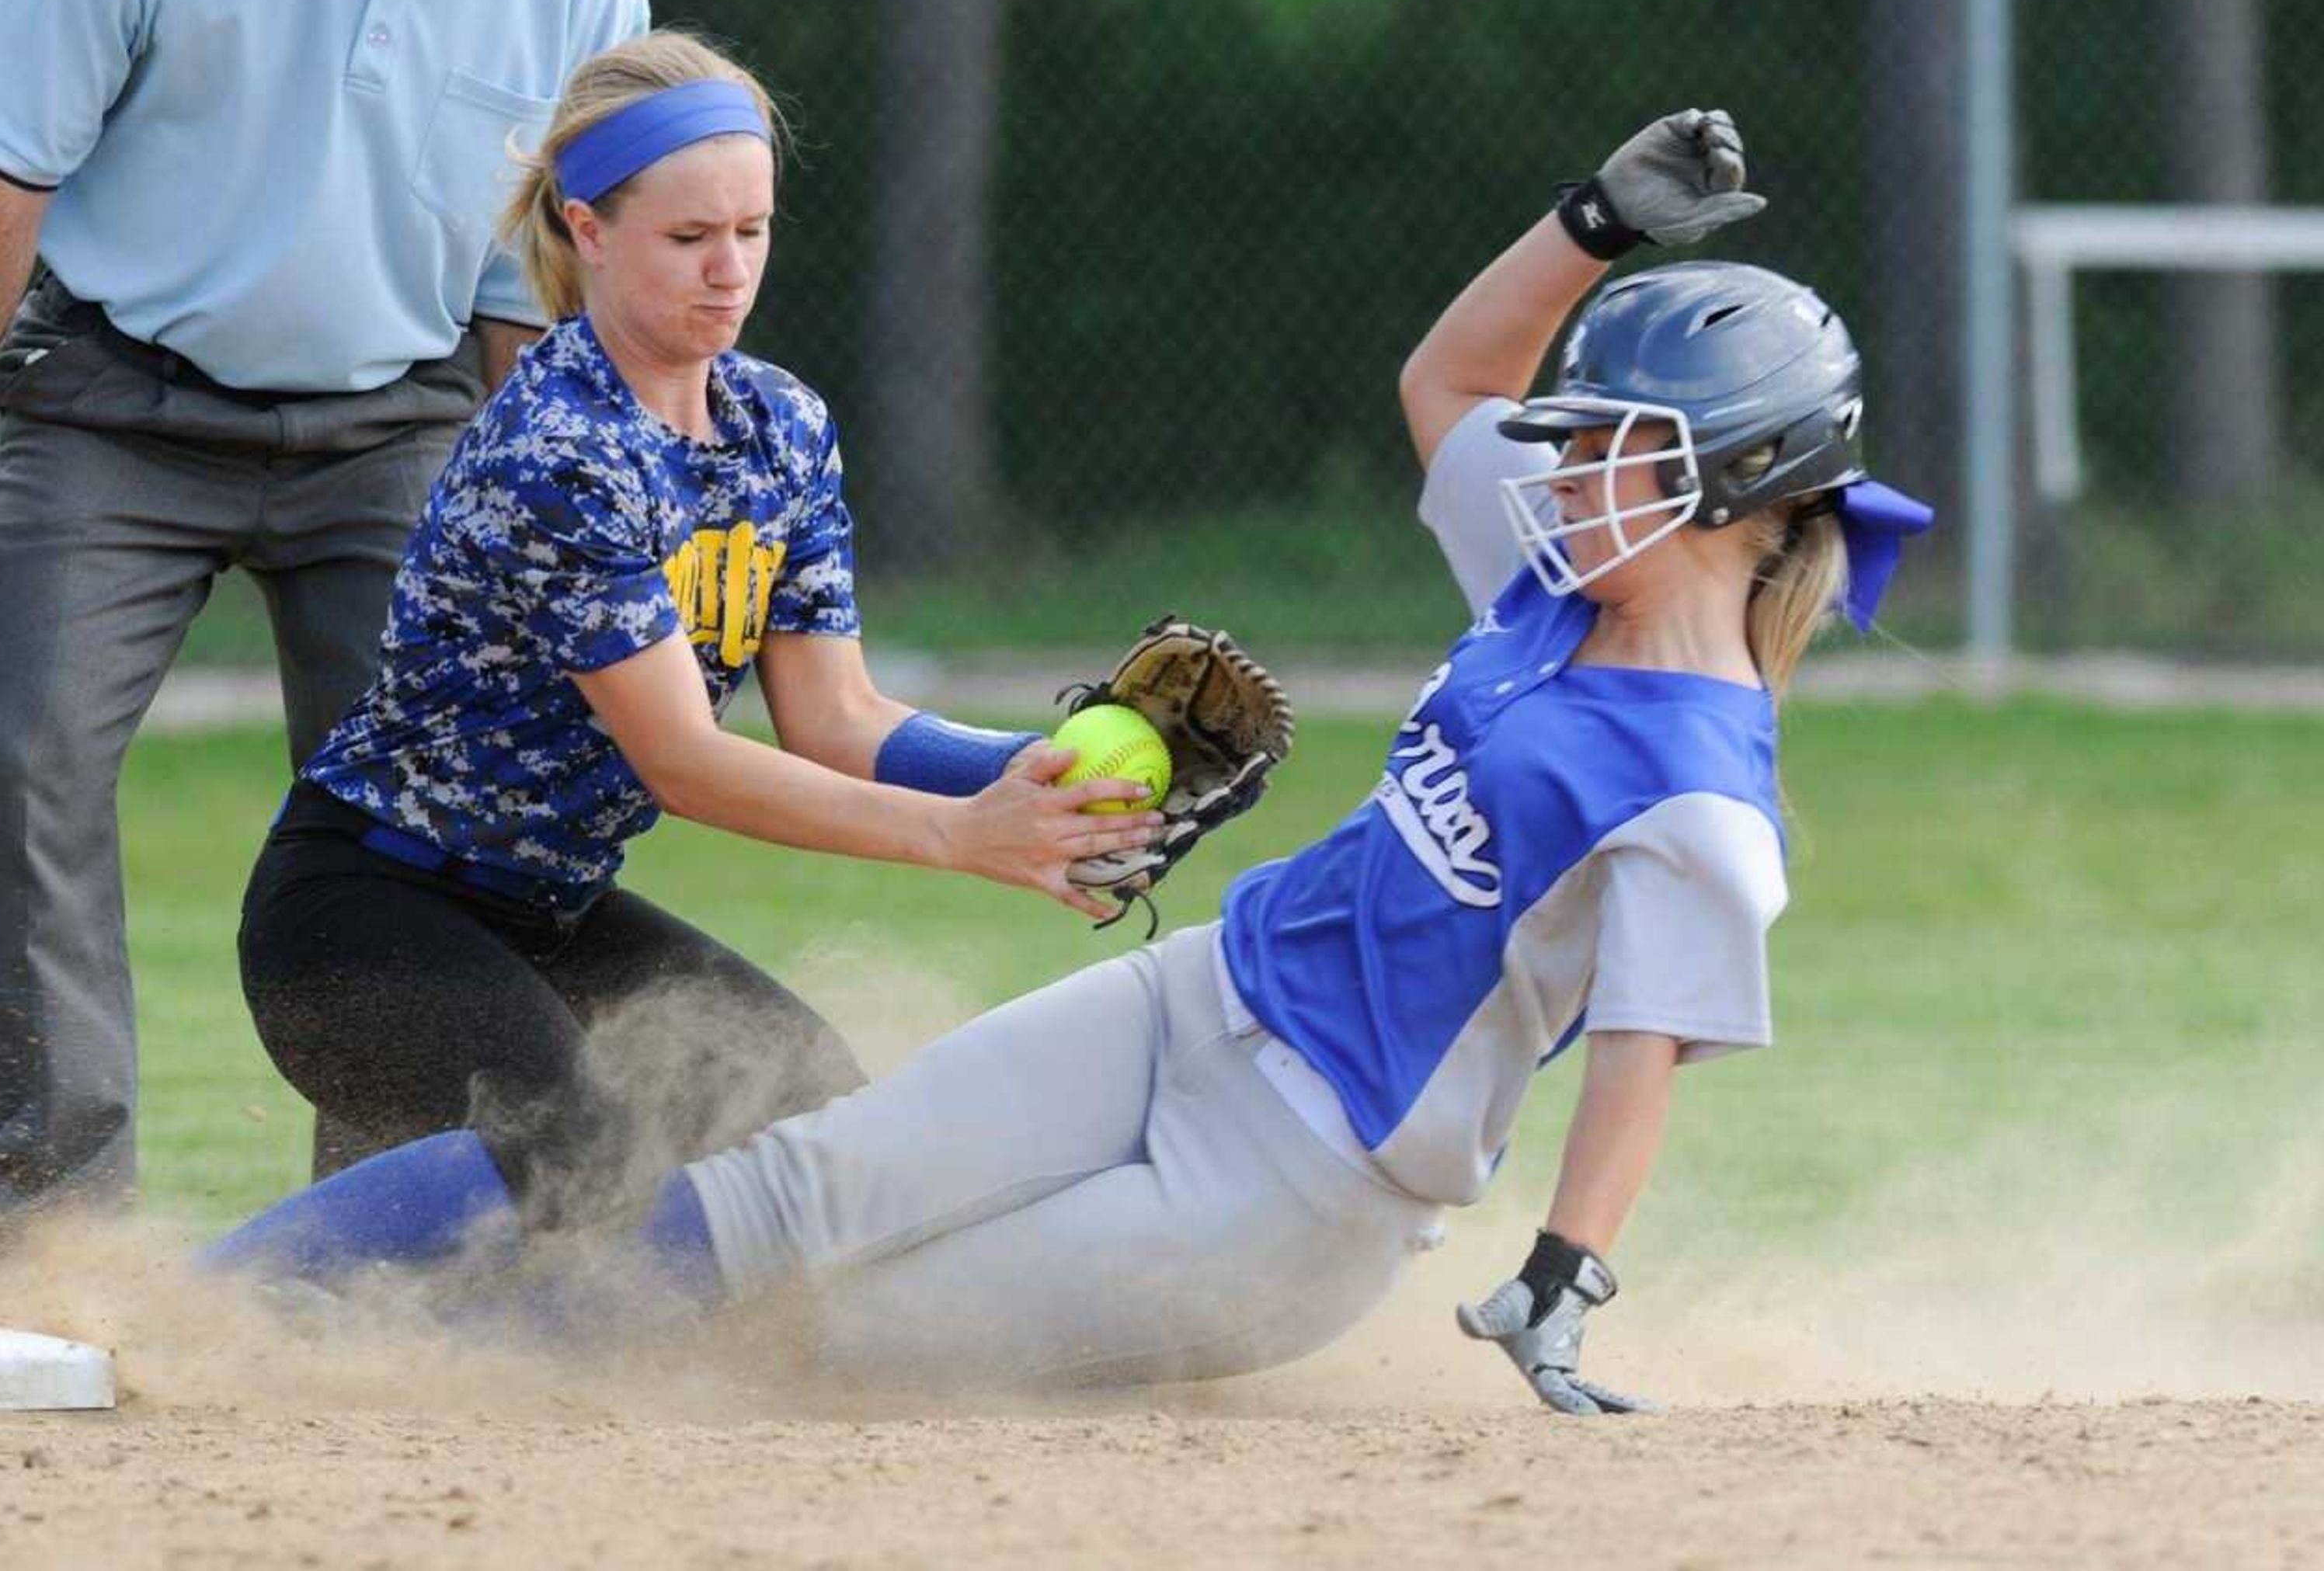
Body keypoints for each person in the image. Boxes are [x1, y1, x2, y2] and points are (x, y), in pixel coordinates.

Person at [198, 109, 1938, 1410]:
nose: (1561, 470)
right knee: (763, 1208)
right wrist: (1588, 226)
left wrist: (1566, 1274)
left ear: (1739, 480)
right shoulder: (1556, 580)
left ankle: (380, 1389)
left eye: (1616, 449)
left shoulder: (1703, 794)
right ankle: (188, 1316)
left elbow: (1644, 1048)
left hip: (1296, 1182)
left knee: (820, 1339)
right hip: (1188, 1007)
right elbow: (1449, 377)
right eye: (1572, 443)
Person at [0, 0, 650, 1266]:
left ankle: (376, 1234)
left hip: (395, 423)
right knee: (36, 761)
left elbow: (534, 292)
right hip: (118, 407)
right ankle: (41, 1224)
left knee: (414, 825)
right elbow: (4, 174)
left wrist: (568, 537)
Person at [231, 26, 1173, 1235]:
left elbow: (839, 720)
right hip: (361, 920)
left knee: (819, 1136)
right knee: (588, 1182)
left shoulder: (779, 425)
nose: (728, 269)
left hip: (542, 913)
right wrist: (964, 838)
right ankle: (203, 1316)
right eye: (688, 237)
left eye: (751, 230)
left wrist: (1041, 780)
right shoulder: (562, 450)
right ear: (587, 227)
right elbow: (679, 761)